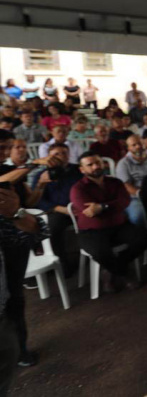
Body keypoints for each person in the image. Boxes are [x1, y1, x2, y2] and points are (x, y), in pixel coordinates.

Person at [69, 152, 147, 293]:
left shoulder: (115, 182)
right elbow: (89, 211)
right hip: (91, 230)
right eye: (90, 165)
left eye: (98, 163)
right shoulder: (78, 188)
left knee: (143, 239)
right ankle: (124, 273)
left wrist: (102, 207)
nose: (95, 166)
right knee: (100, 252)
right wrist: (112, 206)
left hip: (119, 225)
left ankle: (112, 270)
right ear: (82, 169)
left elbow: (125, 201)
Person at [0, 180, 49, 373]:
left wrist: (15, 212)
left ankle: (21, 352)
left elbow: (38, 230)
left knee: (14, 308)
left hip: (9, 273)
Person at [34, 144, 83, 277]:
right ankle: (63, 267)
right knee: (52, 227)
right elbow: (37, 200)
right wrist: (58, 208)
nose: (60, 157)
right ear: (48, 157)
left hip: (79, 208)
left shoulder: (79, 170)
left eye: (64, 153)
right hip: (57, 211)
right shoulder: (42, 175)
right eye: (56, 154)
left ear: (69, 155)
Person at [115, 135, 147, 225]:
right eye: (133, 145)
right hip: (134, 197)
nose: (138, 147)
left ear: (144, 144)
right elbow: (126, 186)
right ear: (128, 148)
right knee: (138, 217)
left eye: (140, 143)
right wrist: (142, 194)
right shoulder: (123, 163)